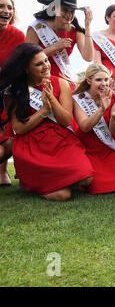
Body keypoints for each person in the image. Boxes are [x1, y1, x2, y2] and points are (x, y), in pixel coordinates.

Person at [0, 43, 94, 201]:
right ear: (26, 68)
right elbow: (19, 128)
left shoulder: (60, 83)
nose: (46, 66)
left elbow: (65, 121)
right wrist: (43, 110)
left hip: (60, 140)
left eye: (46, 60)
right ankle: (34, 180)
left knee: (87, 179)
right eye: (39, 64)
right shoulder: (14, 90)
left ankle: (55, 178)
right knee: (62, 195)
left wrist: (51, 99)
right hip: (31, 144)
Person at [72, 63, 115, 194]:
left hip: (108, 147)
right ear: (89, 81)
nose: (103, 83)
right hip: (87, 147)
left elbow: (113, 131)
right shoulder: (79, 98)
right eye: (98, 80)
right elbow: (85, 127)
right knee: (94, 187)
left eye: (106, 79)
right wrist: (102, 110)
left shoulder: (114, 98)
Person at [25, 0, 93, 81]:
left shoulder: (76, 31)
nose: (69, 15)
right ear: (54, 8)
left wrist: (87, 26)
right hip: (40, 79)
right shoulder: (37, 27)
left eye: (72, 11)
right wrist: (56, 47)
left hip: (64, 79)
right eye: (65, 10)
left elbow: (88, 57)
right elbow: (28, 59)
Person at [0, 0, 25, 187]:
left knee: (7, 140)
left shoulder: (17, 35)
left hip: (7, 93)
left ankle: (3, 173)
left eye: (10, 7)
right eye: (1, 6)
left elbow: (20, 66)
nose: (6, 11)